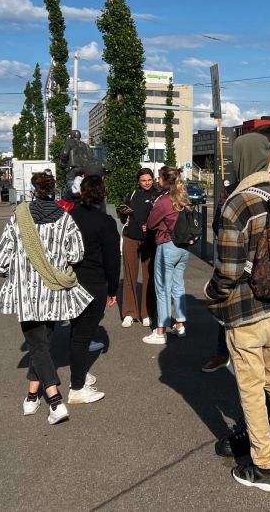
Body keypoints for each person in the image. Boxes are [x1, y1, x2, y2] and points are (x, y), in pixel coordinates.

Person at [205, 132, 270, 491]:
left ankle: (263, 466)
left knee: (251, 387)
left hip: (245, 309)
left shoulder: (237, 203)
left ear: (240, 160)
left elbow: (229, 270)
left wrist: (212, 294)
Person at [0, 172, 92, 425]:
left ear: (32, 192)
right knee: (43, 345)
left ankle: (55, 401)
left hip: (27, 292)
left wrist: (8, 270)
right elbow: (76, 253)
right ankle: (30, 395)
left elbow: (3, 257)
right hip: (53, 289)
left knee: (36, 345)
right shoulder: (65, 218)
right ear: (53, 192)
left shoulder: (20, 216)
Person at [65, 175, 120, 404]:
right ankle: (76, 387)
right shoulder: (105, 222)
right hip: (94, 282)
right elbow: (112, 259)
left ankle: (78, 374)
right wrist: (113, 289)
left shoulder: (69, 217)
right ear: (101, 192)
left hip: (71, 280)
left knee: (77, 331)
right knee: (82, 336)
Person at [143, 166, 191, 345]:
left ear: (164, 180)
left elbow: (151, 222)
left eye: (159, 178)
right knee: (178, 286)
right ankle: (180, 324)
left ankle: (161, 330)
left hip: (167, 245)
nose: (157, 181)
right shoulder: (182, 197)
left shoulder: (164, 200)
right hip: (183, 246)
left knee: (162, 288)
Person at [120, 168, 159, 328]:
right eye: (143, 180)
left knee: (149, 277)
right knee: (130, 275)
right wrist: (123, 212)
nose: (147, 182)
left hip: (150, 240)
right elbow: (123, 218)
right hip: (130, 237)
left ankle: (147, 313)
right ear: (138, 181)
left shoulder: (157, 195)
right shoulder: (132, 195)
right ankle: (129, 313)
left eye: (149, 179)